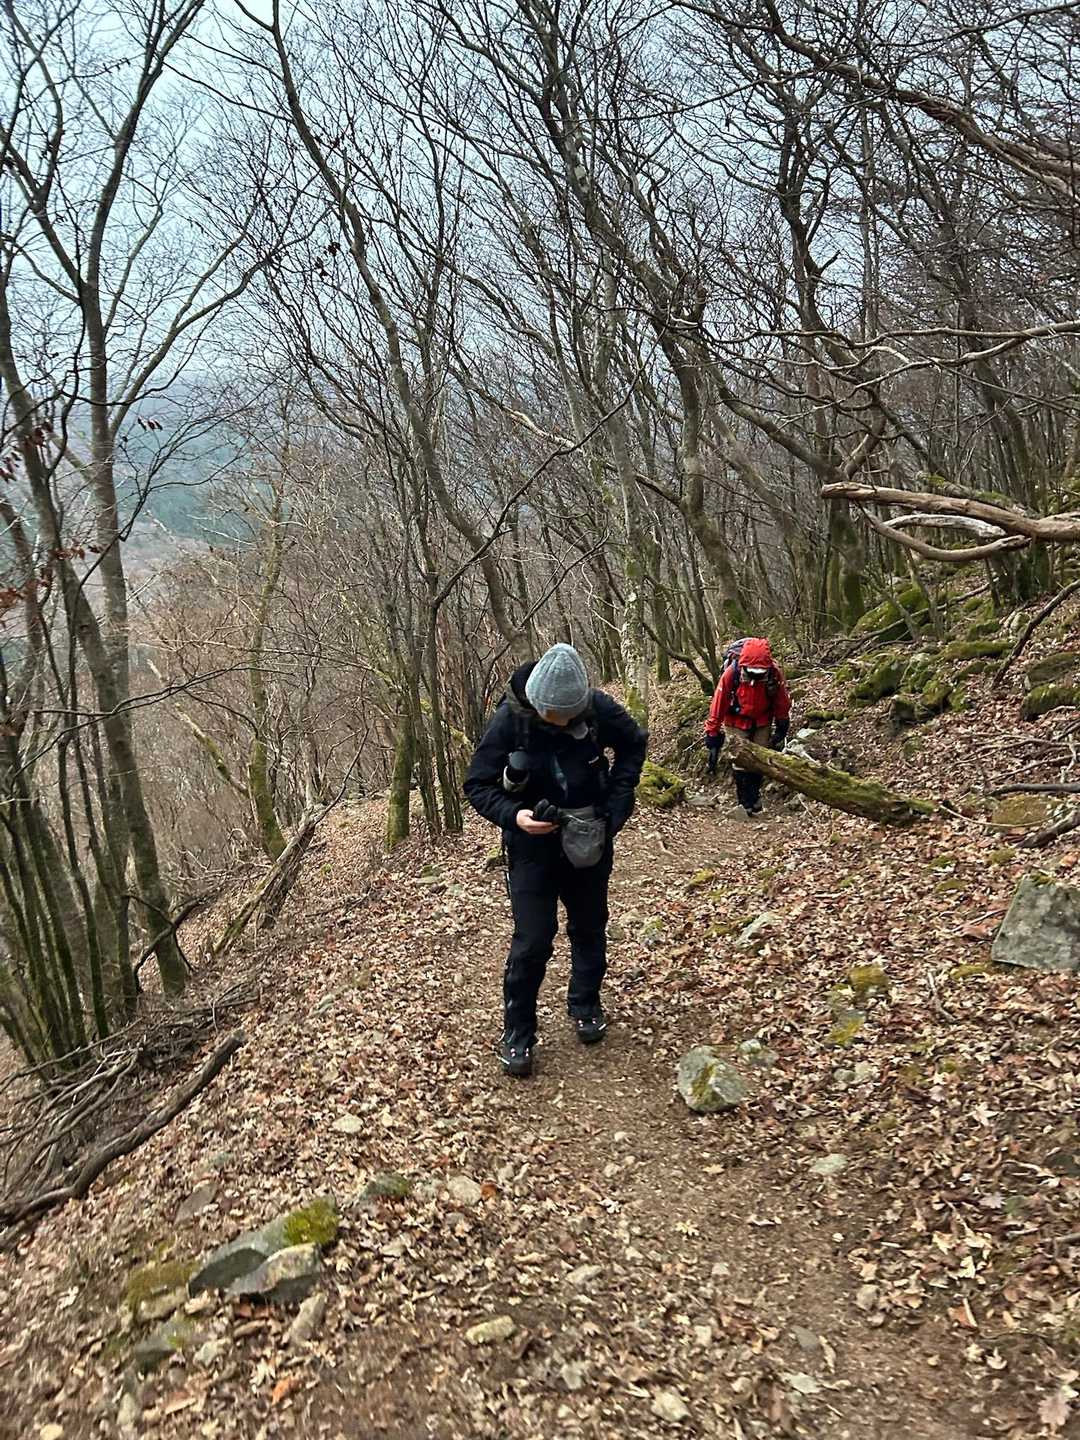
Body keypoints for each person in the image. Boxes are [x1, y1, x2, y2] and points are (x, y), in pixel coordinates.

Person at [464, 644, 647, 1079]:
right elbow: (477, 785)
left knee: (589, 925)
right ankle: (518, 1032)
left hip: (589, 837)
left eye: (567, 715)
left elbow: (634, 744)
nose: (559, 722)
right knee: (533, 939)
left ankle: (585, 1004)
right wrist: (515, 816)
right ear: (537, 702)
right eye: (552, 715)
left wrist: (616, 805)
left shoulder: (597, 709)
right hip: (531, 848)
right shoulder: (510, 720)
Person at [704, 637, 791, 818]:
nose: (756, 676)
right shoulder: (732, 673)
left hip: (762, 719)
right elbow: (718, 704)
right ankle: (744, 801)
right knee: (740, 759)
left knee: (759, 758)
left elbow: (781, 699)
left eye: (760, 672)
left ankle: (754, 797)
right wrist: (712, 732)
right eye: (752, 672)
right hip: (736, 719)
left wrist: (782, 723)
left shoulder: (774, 673)